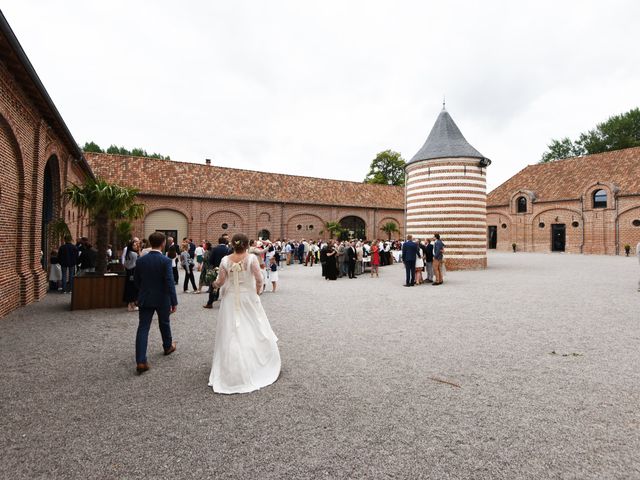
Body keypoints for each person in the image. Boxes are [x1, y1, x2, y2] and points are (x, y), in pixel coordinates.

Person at [208, 233, 281, 394]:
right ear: (247, 245)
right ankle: (253, 362)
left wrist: (213, 283)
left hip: (230, 299)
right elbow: (259, 278)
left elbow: (220, 281)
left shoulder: (225, 260)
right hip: (248, 297)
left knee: (231, 329)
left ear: (232, 245)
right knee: (254, 327)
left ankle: (231, 365)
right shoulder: (251, 259)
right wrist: (256, 292)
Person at [134, 232, 177, 374]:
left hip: (145, 297)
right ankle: (167, 346)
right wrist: (174, 300)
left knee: (143, 327)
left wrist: (142, 292)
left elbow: (136, 280)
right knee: (164, 323)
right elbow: (170, 282)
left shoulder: (141, 261)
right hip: (162, 298)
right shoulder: (165, 261)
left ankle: (141, 360)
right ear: (163, 243)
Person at [204, 236, 231, 308]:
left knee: (214, 285)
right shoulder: (228, 249)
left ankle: (210, 302)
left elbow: (210, 260)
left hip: (216, 268)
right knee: (227, 284)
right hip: (226, 269)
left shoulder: (215, 249)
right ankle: (227, 302)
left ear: (218, 242)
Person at [123, 239, 140, 311]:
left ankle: (130, 305)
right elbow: (137, 263)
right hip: (133, 271)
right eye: (134, 245)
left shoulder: (127, 253)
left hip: (128, 272)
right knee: (133, 288)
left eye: (136, 245)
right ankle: (132, 305)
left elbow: (125, 264)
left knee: (128, 288)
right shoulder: (134, 254)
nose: (136, 246)